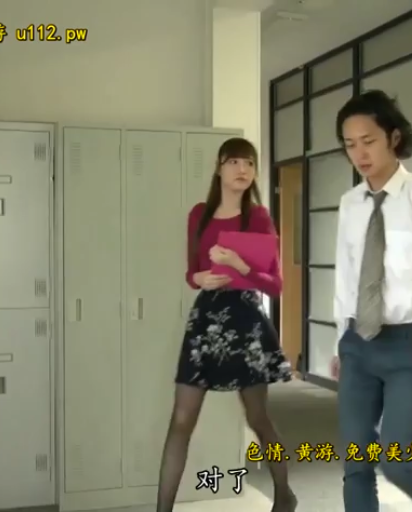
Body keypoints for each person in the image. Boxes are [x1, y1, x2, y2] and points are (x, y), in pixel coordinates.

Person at [155, 137, 296, 512]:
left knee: (258, 417)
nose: (242, 169)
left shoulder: (258, 218)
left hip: (246, 320)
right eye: (234, 162)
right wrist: (198, 278)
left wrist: (238, 264)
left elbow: (275, 285)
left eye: (249, 163)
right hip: (206, 319)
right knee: (181, 418)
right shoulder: (199, 214)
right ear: (219, 168)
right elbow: (191, 271)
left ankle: (284, 494)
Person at [330, 90, 412, 512]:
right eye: (349, 144)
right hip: (358, 344)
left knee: (396, 462)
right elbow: (346, 275)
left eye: (368, 141)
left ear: (393, 137)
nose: (359, 153)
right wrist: (341, 341)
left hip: (410, 345)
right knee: (356, 464)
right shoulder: (350, 204)